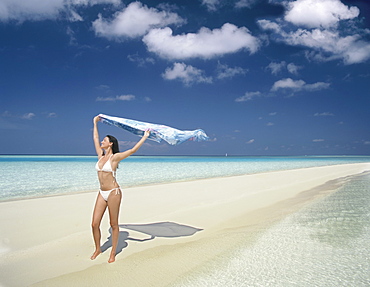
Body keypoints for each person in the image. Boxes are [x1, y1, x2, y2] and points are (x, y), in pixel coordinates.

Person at [91, 115, 150, 263]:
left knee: (113, 224)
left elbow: (132, 150)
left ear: (110, 144)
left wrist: (145, 136)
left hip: (113, 193)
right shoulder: (100, 155)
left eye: (105, 141)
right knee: (94, 224)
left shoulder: (115, 158)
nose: (102, 142)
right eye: (102, 140)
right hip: (102, 192)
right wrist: (95, 123)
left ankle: (112, 253)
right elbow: (95, 137)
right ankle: (98, 248)